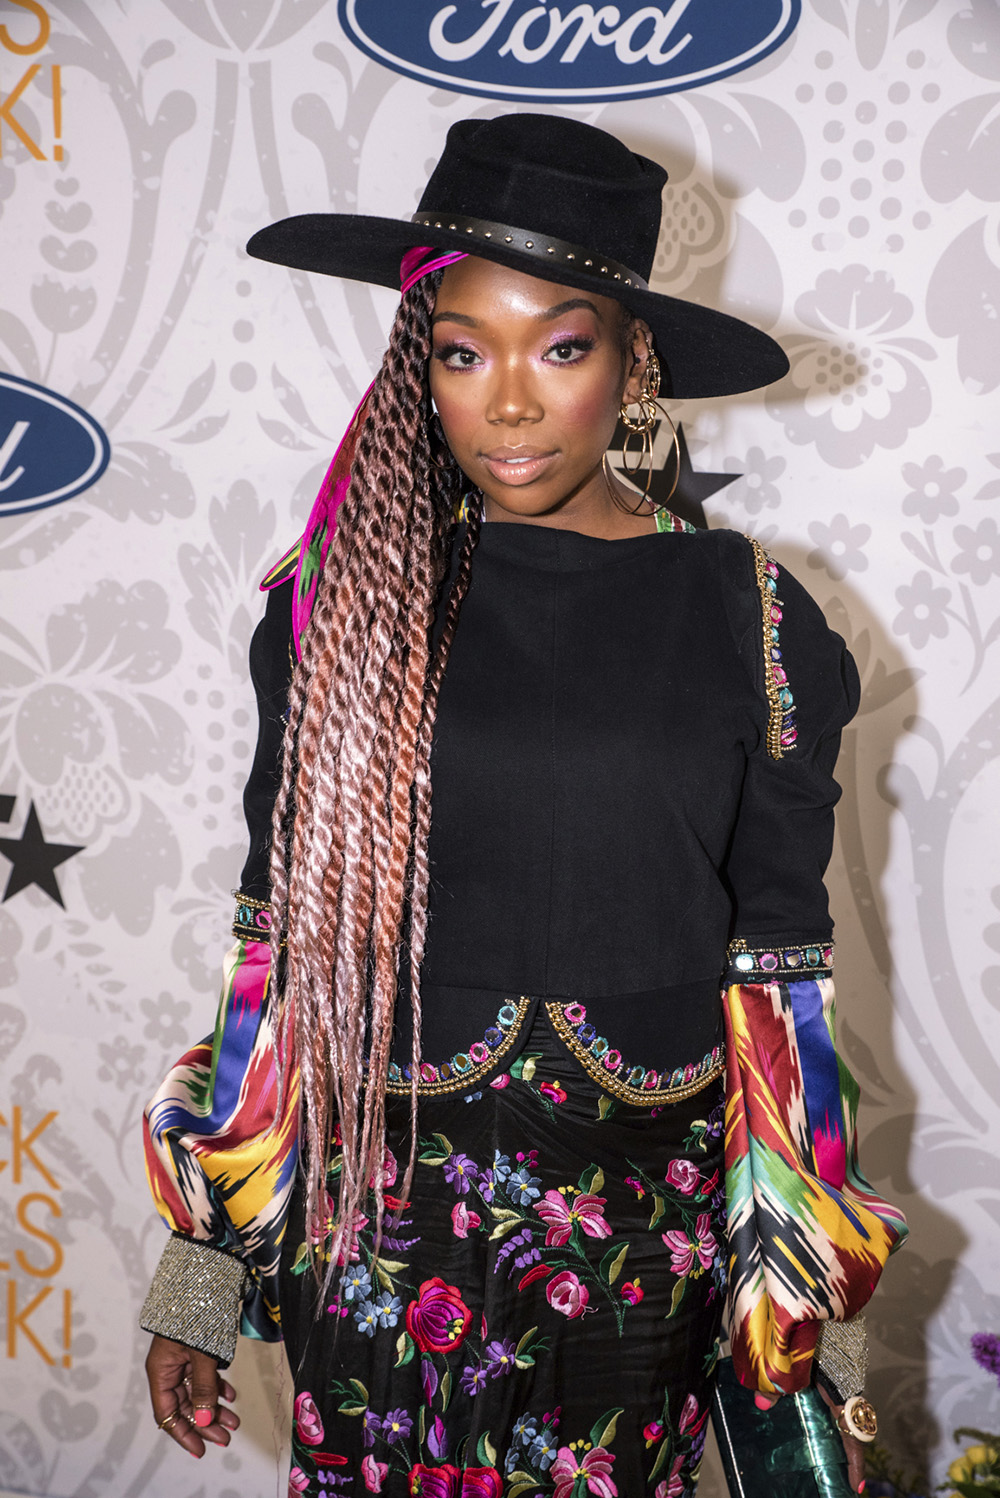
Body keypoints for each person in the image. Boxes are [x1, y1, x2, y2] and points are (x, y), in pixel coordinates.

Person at [139, 114, 906, 1497]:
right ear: (417, 361)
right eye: (460, 349)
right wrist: (206, 1261)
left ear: (634, 361)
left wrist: (813, 1309)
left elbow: (782, 977)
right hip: (371, 1241)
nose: (504, 400)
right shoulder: (337, 607)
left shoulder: (756, 621)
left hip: (632, 1253)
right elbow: (279, 944)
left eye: (560, 347)